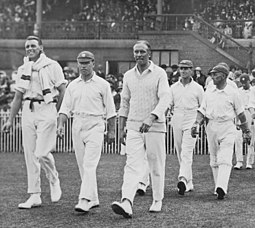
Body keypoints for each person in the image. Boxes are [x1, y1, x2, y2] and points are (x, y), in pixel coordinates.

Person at [2, 35, 66, 209]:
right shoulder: (24, 68)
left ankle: (53, 179)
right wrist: (10, 120)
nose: (30, 49)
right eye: (27, 46)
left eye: (33, 46)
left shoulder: (52, 66)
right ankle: (34, 194)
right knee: (30, 154)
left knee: (42, 152)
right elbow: (17, 97)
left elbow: (62, 90)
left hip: (47, 108)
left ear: (41, 48)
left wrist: (58, 112)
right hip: (28, 110)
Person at [111, 40, 170, 218]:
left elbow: (165, 98)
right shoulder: (128, 75)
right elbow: (125, 103)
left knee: (155, 164)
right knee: (132, 165)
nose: (139, 55)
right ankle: (127, 201)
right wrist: (121, 128)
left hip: (155, 126)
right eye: (136, 52)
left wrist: (152, 117)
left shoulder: (159, 73)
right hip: (134, 127)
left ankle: (157, 199)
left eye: (142, 51)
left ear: (149, 53)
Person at [57, 51, 117, 212]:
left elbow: (111, 111)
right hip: (77, 124)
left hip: (96, 125)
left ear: (93, 63)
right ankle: (94, 199)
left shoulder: (103, 84)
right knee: (82, 165)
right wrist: (61, 125)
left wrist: (111, 132)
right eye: (81, 63)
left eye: (86, 63)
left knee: (90, 164)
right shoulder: (72, 85)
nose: (83, 66)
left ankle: (84, 199)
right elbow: (65, 109)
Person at [191, 63, 251, 200]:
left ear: (224, 76)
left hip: (228, 126)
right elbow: (202, 110)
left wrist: (246, 130)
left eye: (215, 74)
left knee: (225, 157)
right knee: (213, 159)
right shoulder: (209, 91)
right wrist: (196, 124)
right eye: (211, 74)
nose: (212, 76)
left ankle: (222, 186)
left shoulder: (233, 92)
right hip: (211, 125)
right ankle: (218, 187)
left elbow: (241, 113)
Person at [169, 60, 204, 195]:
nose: (183, 71)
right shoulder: (173, 88)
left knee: (186, 151)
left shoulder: (198, 88)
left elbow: (203, 106)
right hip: (177, 118)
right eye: (181, 68)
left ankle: (182, 179)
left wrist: (198, 123)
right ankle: (188, 182)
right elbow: (169, 104)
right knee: (180, 150)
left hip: (192, 118)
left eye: (186, 68)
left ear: (192, 70)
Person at [234, 74, 255, 170]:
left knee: (250, 139)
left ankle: (249, 162)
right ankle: (239, 161)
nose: (244, 85)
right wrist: (237, 119)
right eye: (242, 83)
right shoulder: (238, 91)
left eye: (245, 82)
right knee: (238, 138)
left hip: (250, 112)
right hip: (241, 113)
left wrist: (254, 118)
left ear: (249, 81)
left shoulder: (254, 90)